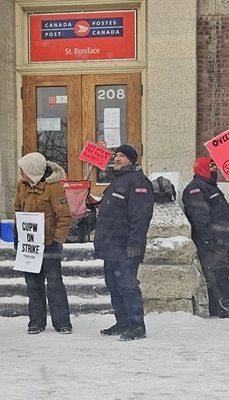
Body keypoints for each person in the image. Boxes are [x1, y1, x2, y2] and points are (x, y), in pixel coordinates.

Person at [94, 144, 154, 341]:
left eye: (121, 156)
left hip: (125, 246)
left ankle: (137, 326)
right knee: (113, 284)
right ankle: (123, 322)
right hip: (111, 246)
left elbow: (141, 216)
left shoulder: (138, 182)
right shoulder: (118, 181)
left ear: (132, 159)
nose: (117, 159)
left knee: (127, 286)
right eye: (116, 155)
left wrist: (135, 244)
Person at [14, 152, 74, 335]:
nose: (21, 173)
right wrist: (19, 236)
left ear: (32, 171)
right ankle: (36, 322)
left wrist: (57, 241)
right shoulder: (21, 186)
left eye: (24, 170)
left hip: (49, 244)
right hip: (29, 245)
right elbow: (18, 209)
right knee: (33, 283)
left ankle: (62, 322)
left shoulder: (54, 188)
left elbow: (64, 216)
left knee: (55, 283)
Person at [181, 157, 229, 319]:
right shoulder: (197, 188)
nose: (215, 169)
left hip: (221, 241)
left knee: (220, 273)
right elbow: (199, 216)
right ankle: (228, 308)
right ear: (202, 168)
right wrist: (207, 240)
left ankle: (220, 308)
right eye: (211, 166)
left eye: (215, 166)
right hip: (212, 243)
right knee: (218, 275)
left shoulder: (210, 187)